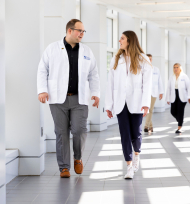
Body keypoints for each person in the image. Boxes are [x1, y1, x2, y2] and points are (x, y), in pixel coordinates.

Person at [37, 19, 100, 178]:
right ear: (69, 31)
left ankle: (77, 158)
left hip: (80, 99)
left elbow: (94, 74)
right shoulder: (52, 49)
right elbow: (42, 70)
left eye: (83, 31)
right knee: (61, 133)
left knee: (79, 131)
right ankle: (64, 167)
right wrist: (42, 90)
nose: (82, 34)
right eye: (79, 30)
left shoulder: (86, 51)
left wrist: (96, 92)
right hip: (58, 99)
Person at [105, 31, 152, 179]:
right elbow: (110, 84)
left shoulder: (143, 59)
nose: (119, 40)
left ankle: (137, 154)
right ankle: (129, 166)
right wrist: (108, 105)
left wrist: (145, 104)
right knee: (124, 134)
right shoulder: (116, 59)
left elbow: (147, 84)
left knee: (136, 133)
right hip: (120, 103)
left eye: (122, 38)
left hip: (136, 101)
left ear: (130, 41)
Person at [166, 63, 190, 134]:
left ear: (180, 68)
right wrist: (168, 98)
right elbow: (168, 88)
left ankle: (179, 127)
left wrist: (189, 97)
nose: (175, 69)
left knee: (180, 111)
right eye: (174, 67)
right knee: (172, 111)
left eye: (177, 67)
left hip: (182, 96)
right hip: (174, 95)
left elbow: (188, 87)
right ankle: (180, 120)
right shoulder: (171, 77)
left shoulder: (184, 76)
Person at [144, 54, 164, 133]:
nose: (149, 60)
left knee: (150, 109)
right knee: (147, 109)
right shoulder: (143, 69)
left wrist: (161, 92)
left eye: (150, 59)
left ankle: (146, 126)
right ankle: (151, 127)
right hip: (145, 92)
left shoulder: (156, 69)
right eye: (147, 59)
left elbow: (160, 81)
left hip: (154, 92)